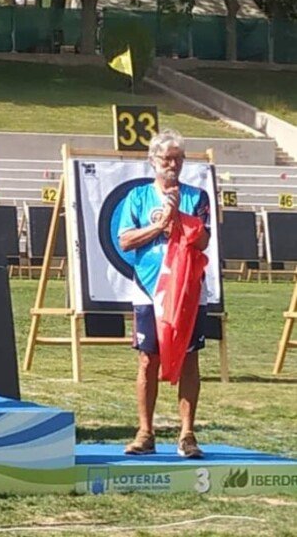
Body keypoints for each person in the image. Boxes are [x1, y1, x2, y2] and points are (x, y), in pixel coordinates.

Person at [118, 129, 211, 458]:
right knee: (148, 359)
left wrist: (179, 222)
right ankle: (146, 431)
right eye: (166, 158)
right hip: (148, 287)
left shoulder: (196, 197)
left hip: (186, 289)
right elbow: (125, 240)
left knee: (189, 357)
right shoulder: (138, 198)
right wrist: (159, 227)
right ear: (152, 160)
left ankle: (187, 433)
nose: (172, 164)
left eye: (178, 158)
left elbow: (203, 241)